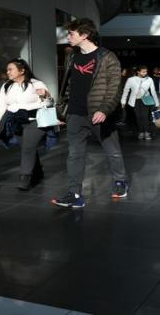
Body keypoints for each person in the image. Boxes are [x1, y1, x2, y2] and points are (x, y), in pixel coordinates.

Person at [53, 18, 128, 209]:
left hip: (100, 113)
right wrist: (64, 111)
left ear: (85, 35)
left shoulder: (107, 57)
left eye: (71, 33)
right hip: (75, 114)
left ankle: (120, 182)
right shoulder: (72, 57)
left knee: (113, 152)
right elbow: (68, 85)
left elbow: (114, 87)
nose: (67, 37)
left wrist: (104, 109)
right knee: (75, 155)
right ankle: (75, 194)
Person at [0, 58, 50, 191]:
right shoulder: (6, 86)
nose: (8, 72)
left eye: (10, 69)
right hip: (16, 122)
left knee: (27, 148)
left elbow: (49, 102)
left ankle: (25, 177)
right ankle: (38, 173)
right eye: (7, 70)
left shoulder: (36, 84)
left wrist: (45, 95)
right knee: (28, 148)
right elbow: (1, 104)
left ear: (22, 70)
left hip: (35, 120)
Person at [120, 65, 160, 140]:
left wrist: (157, 103)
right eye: (143, 72)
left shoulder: (149, 79)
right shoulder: (131, 79)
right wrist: (123, 101)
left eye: (146, 71)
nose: (145, 73)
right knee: (138, 117)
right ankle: (141, 132)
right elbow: (126, 91)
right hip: (135, 100)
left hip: (146, 100)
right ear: (138, 72)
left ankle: (147, 132)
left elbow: (153, 91)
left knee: (145, 116)